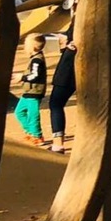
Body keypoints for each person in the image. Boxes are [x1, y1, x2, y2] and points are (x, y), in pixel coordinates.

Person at [48, 24, 76, 154]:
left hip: (68, 72)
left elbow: (70, 38)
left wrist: (69, 48)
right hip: (70, 69)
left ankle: (58, 143)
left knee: (56, 104)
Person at [14, 34, 47, 145]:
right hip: (27, 92)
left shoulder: (37, 60)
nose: (24, 47)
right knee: (19, 112)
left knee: (33, 115)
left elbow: (35, 75)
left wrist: (22, 78)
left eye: (26, 45)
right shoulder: (33, 59)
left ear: (32, 47)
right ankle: (30, 132)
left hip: (34, 92)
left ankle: (37, 135)